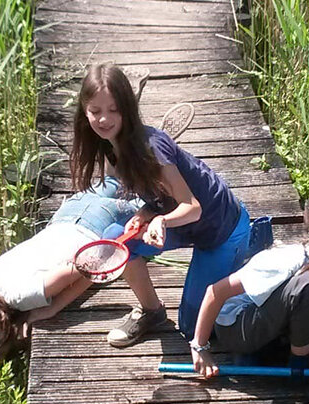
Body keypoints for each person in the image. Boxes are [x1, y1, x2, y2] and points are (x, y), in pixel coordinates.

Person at [69, 62, 252, 347]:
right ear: (84, 111)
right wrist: (147, 212)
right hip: (181, 221)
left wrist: (162, 220)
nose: (103, 119)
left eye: (113, 110)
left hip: (222, 228)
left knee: (194, 329)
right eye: (95, 111)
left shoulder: (152, 148)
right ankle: (152, 312)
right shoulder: (109, 146)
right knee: (117, 239)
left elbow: (193, 207)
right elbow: (158, 195)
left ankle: (248, 262)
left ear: (127, 108)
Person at [188, 198, 309, 377]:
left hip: (266, 320)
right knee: (308, 285)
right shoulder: (288, 261)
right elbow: (215, 291)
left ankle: (282, 353)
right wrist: (200, 348)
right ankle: (298, 363)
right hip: (236, 328)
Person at [0, 179, 139, 360]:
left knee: (160, 200)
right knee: (130, 170)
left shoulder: (22, 297)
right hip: (69, 212)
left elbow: (89, 265)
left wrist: (51, 308)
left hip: (98, 225)